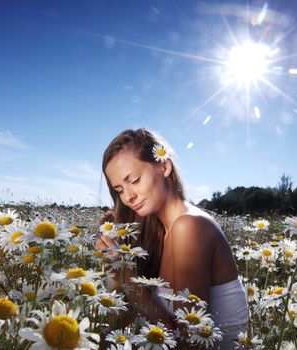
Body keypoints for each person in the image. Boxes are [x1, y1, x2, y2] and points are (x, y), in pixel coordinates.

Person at [98, 128, 249, 349]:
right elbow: (139, 320)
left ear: (164, 166)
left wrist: (128, 280)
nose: (128, 196)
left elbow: (189, 344)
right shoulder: (163, 231)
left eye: (135, 180)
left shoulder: (189, 226)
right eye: (120, 189)